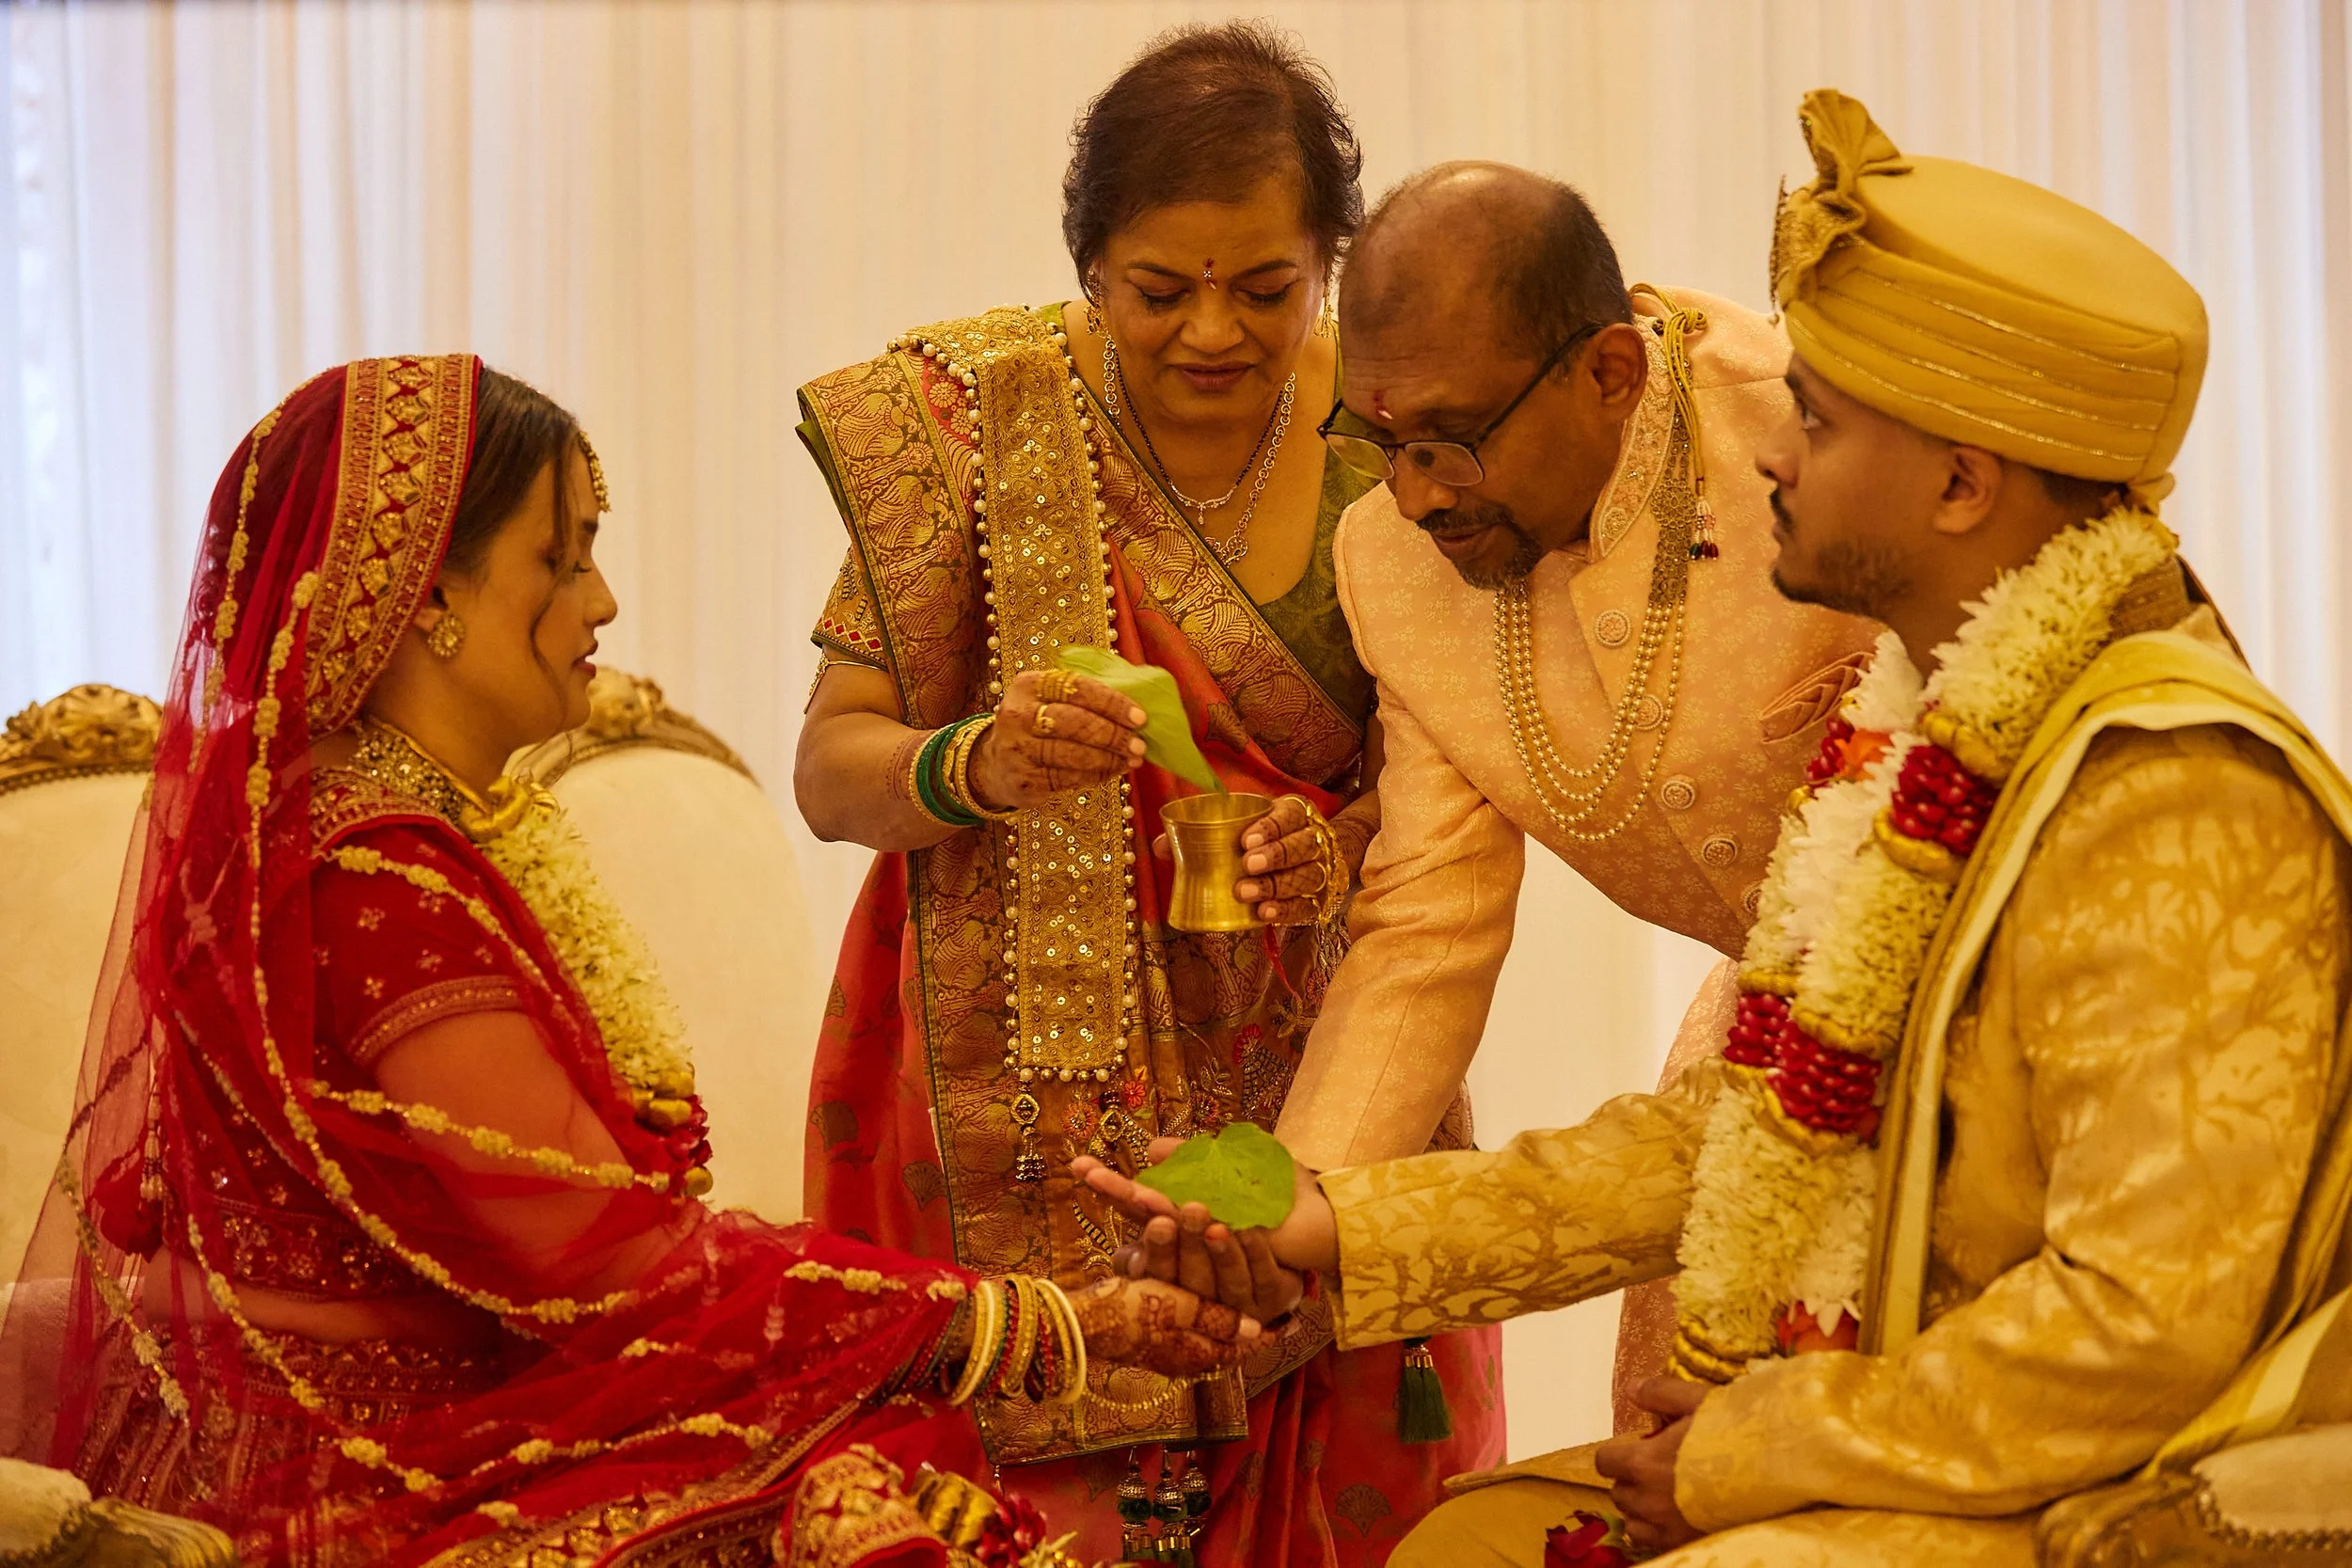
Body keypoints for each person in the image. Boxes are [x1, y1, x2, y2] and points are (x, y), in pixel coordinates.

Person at [1087, 91, 2352, 1566]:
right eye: (1383, 440)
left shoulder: (2167, 795)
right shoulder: (1906, 738)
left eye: (1814, 424)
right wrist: (1322, 1226)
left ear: (1959, 482)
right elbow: (1507, 984)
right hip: (1833, 1205)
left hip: (2106, 1483)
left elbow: (2145, 1332)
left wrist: (1756, 1445)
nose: (1781, 464)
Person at [0, 355, 1249, 1568]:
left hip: (473, 1417)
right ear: (422, 595)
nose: (603, 603)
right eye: (564, 556)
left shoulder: (403, 843)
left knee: (875, 1480)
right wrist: (1031, 1316)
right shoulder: (368, 887)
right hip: (375, 1475)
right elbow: (612, 1261)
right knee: (866, 1506)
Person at [791, 23, 1496, 1565]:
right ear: (1088, 265)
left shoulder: (1397, 442)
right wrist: (966, 760)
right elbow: (832, 767)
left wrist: (1349, 836)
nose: (1211, 336)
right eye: (1156, 291)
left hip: (1322, 1059)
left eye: (1266, 289)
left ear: (1332, 260)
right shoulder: (973, 429)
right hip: (1006, 1099)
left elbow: (1456, 785)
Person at [1240, 158, 1874, 1424]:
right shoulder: (1392, 563)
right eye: (1383, 442)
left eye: (1452, 443)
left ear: (1611, 376)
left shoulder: (1813, 440)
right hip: (1758, 1067)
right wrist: (1289, 1213)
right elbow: (1426, 921)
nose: (1415, 495)